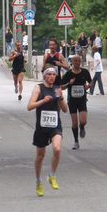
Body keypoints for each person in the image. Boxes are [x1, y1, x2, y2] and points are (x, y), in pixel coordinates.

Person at [27, 65, 68, 197]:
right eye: (49, 74)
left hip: (55, 124)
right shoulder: (38, 88)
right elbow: (29, 106)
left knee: (57, 149)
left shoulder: (57, 89)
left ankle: (52, 175)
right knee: (40, 156)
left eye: (53, 75)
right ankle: (38, 181)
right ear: (44, 76)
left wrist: (61, 98)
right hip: (42, 126)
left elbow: (65, 109)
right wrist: (42, 101)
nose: (51, 77)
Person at [61, 54, 92, 150]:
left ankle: (82, 127)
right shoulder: (69, 74)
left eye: (79, 61)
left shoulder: (85, 72)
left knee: (83, 121)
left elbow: (91, 82)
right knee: (74, 123)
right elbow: (61, 87)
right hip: (72, 101)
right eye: (75, 61)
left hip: (82, 100)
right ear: (72, 62)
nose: (77, 63)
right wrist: (68, 84)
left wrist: (88, 86)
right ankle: (76, 141)